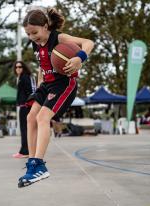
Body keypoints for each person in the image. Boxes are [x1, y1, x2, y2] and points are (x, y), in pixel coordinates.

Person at [18, 7, 94, 187]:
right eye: (28, 34)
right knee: (30, 117)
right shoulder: (35, 43)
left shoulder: (58, 38)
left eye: (34, 32)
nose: (32, 37)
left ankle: (39, 165)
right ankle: (31, 163)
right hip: (46, 84)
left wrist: (79, 58)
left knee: (43, 118)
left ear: (45, 26)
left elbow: (88, 42)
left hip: (63, 83)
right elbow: (42, 67)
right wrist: (37, 88)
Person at [12, 61, 36, 158]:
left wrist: (27, 104)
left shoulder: (24, 77)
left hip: (25, 107)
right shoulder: (24, 77)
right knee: (26, 129)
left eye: (20, 67)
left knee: (24, 129)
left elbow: (30, 92)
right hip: (25, 106)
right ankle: (27, 150)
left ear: (24, 68)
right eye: (16, 67)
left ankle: (24, 151)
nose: (18, 68)